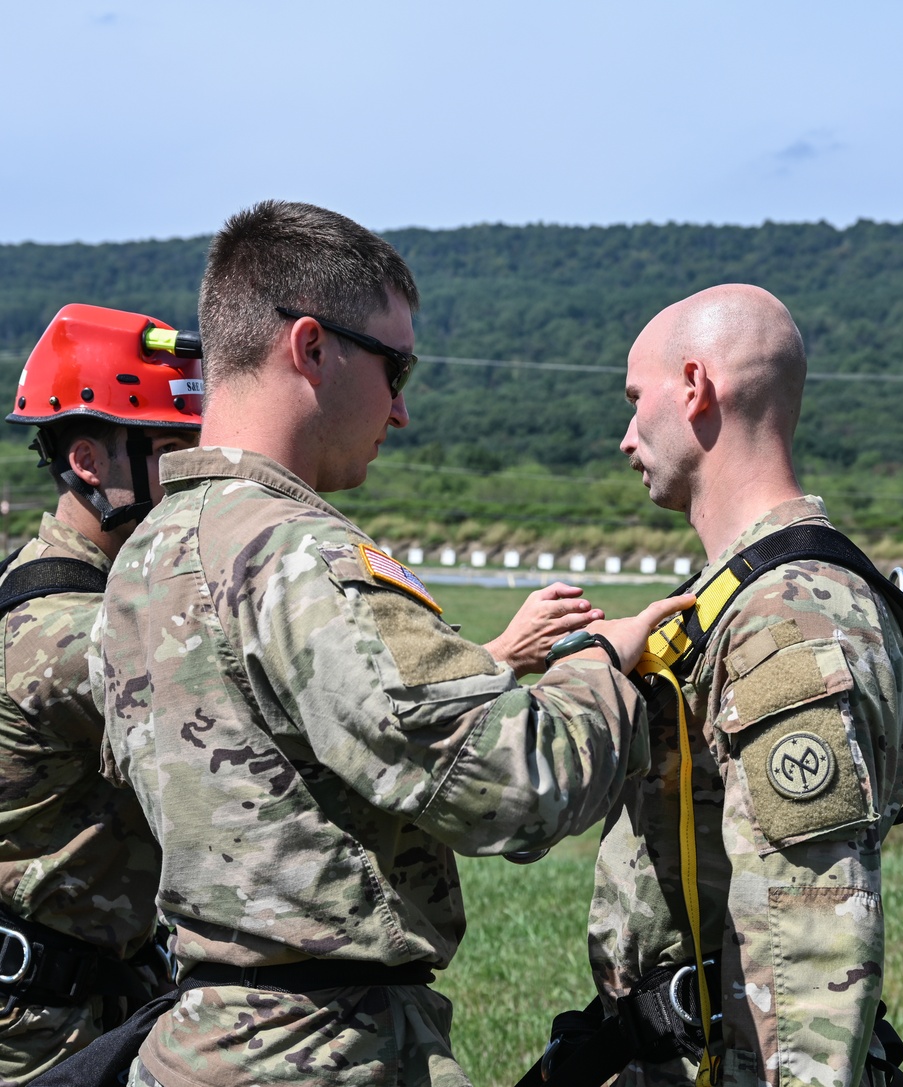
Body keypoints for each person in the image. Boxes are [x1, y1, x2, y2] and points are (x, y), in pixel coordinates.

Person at [92, 199, 694, 1087]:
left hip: (203, 1038)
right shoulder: (302, 557)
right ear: (311, 347)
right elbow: (511, 785)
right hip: (327, 1052)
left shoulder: (146, 557)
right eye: (396, 366)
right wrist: (603, 665)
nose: (402, 410)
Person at [584, 284, 903, 1086]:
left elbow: (809, 941)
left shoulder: (786, 617)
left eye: (638, 402)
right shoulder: (743, 594)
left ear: (696, 387)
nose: (627, 437)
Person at [0, 303, 202, 1083]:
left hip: (97, 997)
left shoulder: (97, 590)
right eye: (173, 454)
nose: (196, 478)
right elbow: (241, 715)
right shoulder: (59, 632)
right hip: (42, 1026)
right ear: (90, 461)